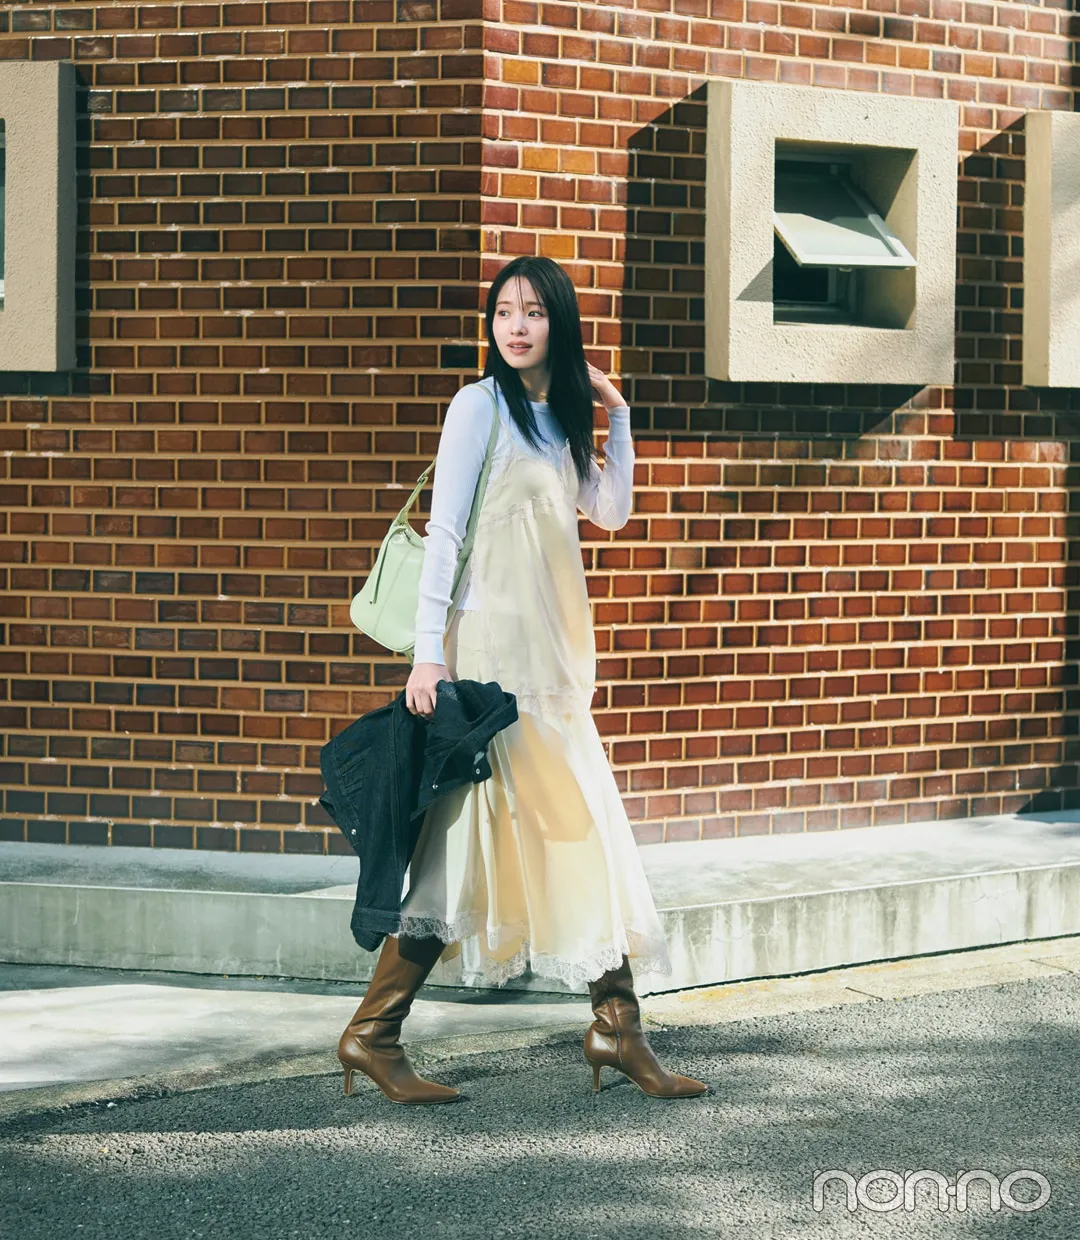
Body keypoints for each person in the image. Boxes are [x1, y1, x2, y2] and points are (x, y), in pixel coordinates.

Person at [337, 257, 708, 1104]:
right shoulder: (479, 407)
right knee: (488, 842)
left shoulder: (557, 419)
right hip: (492, 663)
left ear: (559, 324)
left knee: (557, 833)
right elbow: (444, 532)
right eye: (503, 310)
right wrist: (428, 653)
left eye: (533, 312)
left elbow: (609, 510)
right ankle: (385, 1032)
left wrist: (619, 416)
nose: (515, 325)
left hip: (554, 662)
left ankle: (604, 1031)